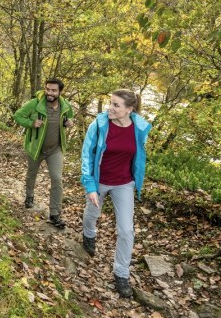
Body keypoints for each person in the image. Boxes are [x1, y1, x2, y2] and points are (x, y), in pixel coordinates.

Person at [80, 89, 152, 298]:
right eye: (110, 103)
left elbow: (138, 156)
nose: (110, 108)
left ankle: (121, 274)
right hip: (99, 180)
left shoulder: (139, 128)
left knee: (126, 231)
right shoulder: (100, 125)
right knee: (92, 214)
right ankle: (89, 234)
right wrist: (90, 186)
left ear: (129, 110)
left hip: (124, 184)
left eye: (116, 105)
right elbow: (86, 156)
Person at [13, 78, 75, 228]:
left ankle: (55, 214)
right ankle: (29, 196)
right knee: (31, 173)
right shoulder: (35, 103)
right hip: (37, 147)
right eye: (48, 89)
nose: (50, 93)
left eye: (54, 90)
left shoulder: (65, 106)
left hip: (55, 149)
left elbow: (70, 117)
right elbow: (18, 116)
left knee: (57, 178)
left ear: (60, 92)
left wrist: (69, 122)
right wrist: (32, 123)